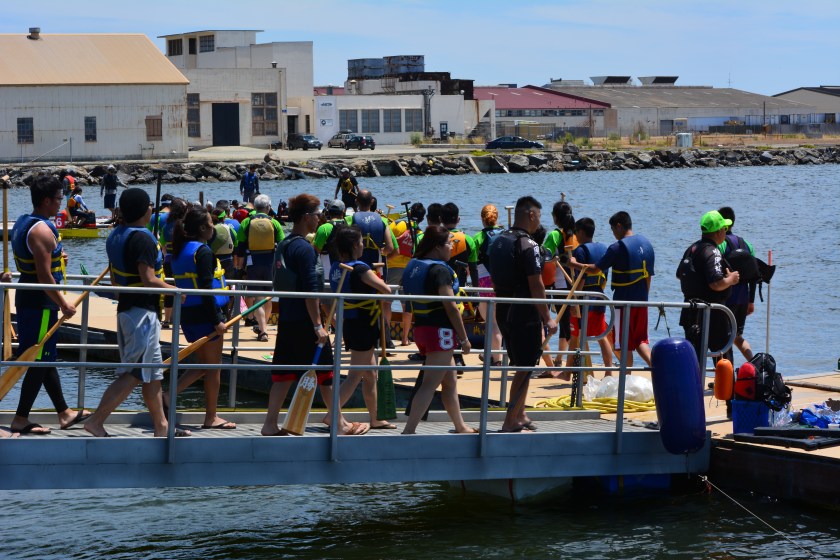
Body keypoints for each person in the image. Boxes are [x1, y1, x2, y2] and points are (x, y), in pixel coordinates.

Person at [84, 188, 189, 438]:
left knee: (152, 373)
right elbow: (149, 278)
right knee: (134, 372)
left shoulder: (116, 235)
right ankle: (95, 420)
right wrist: (175, 290)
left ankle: (162, 426)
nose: (152, 209)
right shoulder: (142, 238)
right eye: (149, 206)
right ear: (145, 210)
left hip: (130, 310)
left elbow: (115, 279)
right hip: (141, 312)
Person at [262, 193, 366, 436]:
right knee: (326, 373)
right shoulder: (305, 249)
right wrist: (318, 325)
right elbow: (311, 290)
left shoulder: (285, 244)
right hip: (306, 322)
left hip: (288, 317)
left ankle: (269, 424)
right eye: (318, 214)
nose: (320, 218)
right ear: (307, 217)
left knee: (284, 373)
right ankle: (339, 423)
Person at [9, 175, 91, 435]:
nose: (61, 204)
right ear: (45, 200)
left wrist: (57, 255)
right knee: (38, 359)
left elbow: (39, 259)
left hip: (30, 297)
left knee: (45, 357)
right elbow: (44, 276)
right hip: (40, 301)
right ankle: (21, 418)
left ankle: (64, 413)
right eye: (57, 199)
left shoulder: (24, 222)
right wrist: (64, 303)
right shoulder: (43, 230)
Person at [488, 196, 558, 432]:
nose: (539, 220)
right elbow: (536, 282)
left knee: (523, 364)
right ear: (531, 215)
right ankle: (511, 420)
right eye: (539, 215)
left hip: (504, 309)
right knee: (525, 366)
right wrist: (547, 317)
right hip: (522, 311)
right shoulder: (528, 244)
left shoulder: (499, 240)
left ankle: (521, 413)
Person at [401, 225, 477, 435]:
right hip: (440, 332)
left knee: (450, 381)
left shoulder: (414, 265)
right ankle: (408, 431)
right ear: (437, 246)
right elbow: (451, 306)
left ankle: (460, 426)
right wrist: (464, 339)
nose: (452, 246)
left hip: (423, 329)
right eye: (448, 243)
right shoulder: (440, 270)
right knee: (429, 384)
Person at [167, 205, 235, 430]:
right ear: (203, 228)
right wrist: (217, 320)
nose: (214, 227)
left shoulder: (180, 249)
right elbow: (206, 289)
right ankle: (211, 417)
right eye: (211, 223)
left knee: (204, 365)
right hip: (206, 316)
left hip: (189, 315)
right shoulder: (202, 251)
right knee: (213, 367)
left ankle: (169, 395)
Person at [328, 226, 395, 429]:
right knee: (355, 375)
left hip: (352, 322)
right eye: (361, 242)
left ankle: (375, 418)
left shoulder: (336, 267)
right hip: (364, 325)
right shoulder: (360, 268)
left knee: (371, 373)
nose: (363, 244)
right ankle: (332, 414)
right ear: (355, 245)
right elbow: (386, 290)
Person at [586, 211, 655, 367]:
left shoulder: (617, 248)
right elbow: (648, 276)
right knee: (640, 341)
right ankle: (657, 369)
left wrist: (574, 264)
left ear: (619, 226)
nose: (613, 234)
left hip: (622, 304)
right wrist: (644, 298)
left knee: (622, 344)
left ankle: (625, 381)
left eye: (612, 229)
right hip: (642, 303)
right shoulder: (645, 244)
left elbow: (595, 269)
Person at [677, 210, 740, 369]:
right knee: (723, 356)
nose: (725, 232)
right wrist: (731, 279)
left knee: (694, 356)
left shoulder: (692, 248)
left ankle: (693, 389)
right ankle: (727, 392)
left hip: (691, 311)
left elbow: (679, 274)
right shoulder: (712, 251)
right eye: (724, 229)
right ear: (718, 231)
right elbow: (716, 283)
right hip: (712, 313)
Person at [234, 194, 284, 341]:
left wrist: (239, 267)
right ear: (268, 207)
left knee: (258, 297)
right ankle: (264, 328)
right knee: (268, 297)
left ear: (255, 207)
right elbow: (281, 244)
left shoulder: (246, 223)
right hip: (270, 263)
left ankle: (262, 329)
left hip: (252, 263)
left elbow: (240, 247)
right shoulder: (274, 223)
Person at [570, 217, 615, 374]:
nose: (575, 236)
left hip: (584, 299)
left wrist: (574, 301)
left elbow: (580, 279)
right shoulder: (603, 248)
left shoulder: (580, 251)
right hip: (599, 296)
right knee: (601, 335)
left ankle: (574, 372)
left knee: (576, 334)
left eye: (576, 232)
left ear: (581, 232)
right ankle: (608, 371)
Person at [718, 206, 757, 362]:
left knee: (723, 338)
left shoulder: (719, 244)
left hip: (726, 298)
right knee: (737, 336)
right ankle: (755, 366)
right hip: (743, 297)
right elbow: (755, 274)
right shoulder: (747, 244)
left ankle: (727, 378)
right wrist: (751, 301)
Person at [541, 200, 576, 375]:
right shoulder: (576, 233)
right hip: (576, 282)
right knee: (568, 322)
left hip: (560, 282)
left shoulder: (555, 235)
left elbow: (543, 256)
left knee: (563, 321)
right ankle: (560, 359)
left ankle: (565, 362)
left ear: (556, 218)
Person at [472, 204, 504, 365]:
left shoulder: (477, 238)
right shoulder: (506, 235)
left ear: (482, 218)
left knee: (491, 323)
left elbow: (470, 261)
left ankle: (496, 359)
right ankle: (492, 354)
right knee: (499, 321)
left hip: (484, 281)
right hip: (503, 281)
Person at [391, 202, 425, 345]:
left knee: (386, 303)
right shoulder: (420, 233)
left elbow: (387, 241)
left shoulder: (397, 225)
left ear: (409, 213)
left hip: (392, 266)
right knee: (407, 305)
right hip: (409, 270)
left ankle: (386, 339)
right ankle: (405, 339)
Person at [158, 197, 189, 329]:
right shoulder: (183, 225)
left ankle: (167, 320)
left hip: (168, 260)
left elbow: (163, 246)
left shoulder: (166, 226)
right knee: (183, 288)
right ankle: (181, 317)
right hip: (181, 260)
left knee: (169, 289)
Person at [441, 202, 479, 288]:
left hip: (439, 289)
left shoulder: (434, 239)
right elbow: (473, 270)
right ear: (458, 219)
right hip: (460, 288)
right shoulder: (468, 240)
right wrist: (476, 290)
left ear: (441, 220)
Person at [312, 199, 347, 274]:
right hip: (346, 269)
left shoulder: (324, 228)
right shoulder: (349, 225)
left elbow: (315, 251)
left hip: (327, 270)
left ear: (328, 212)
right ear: (343, 212)